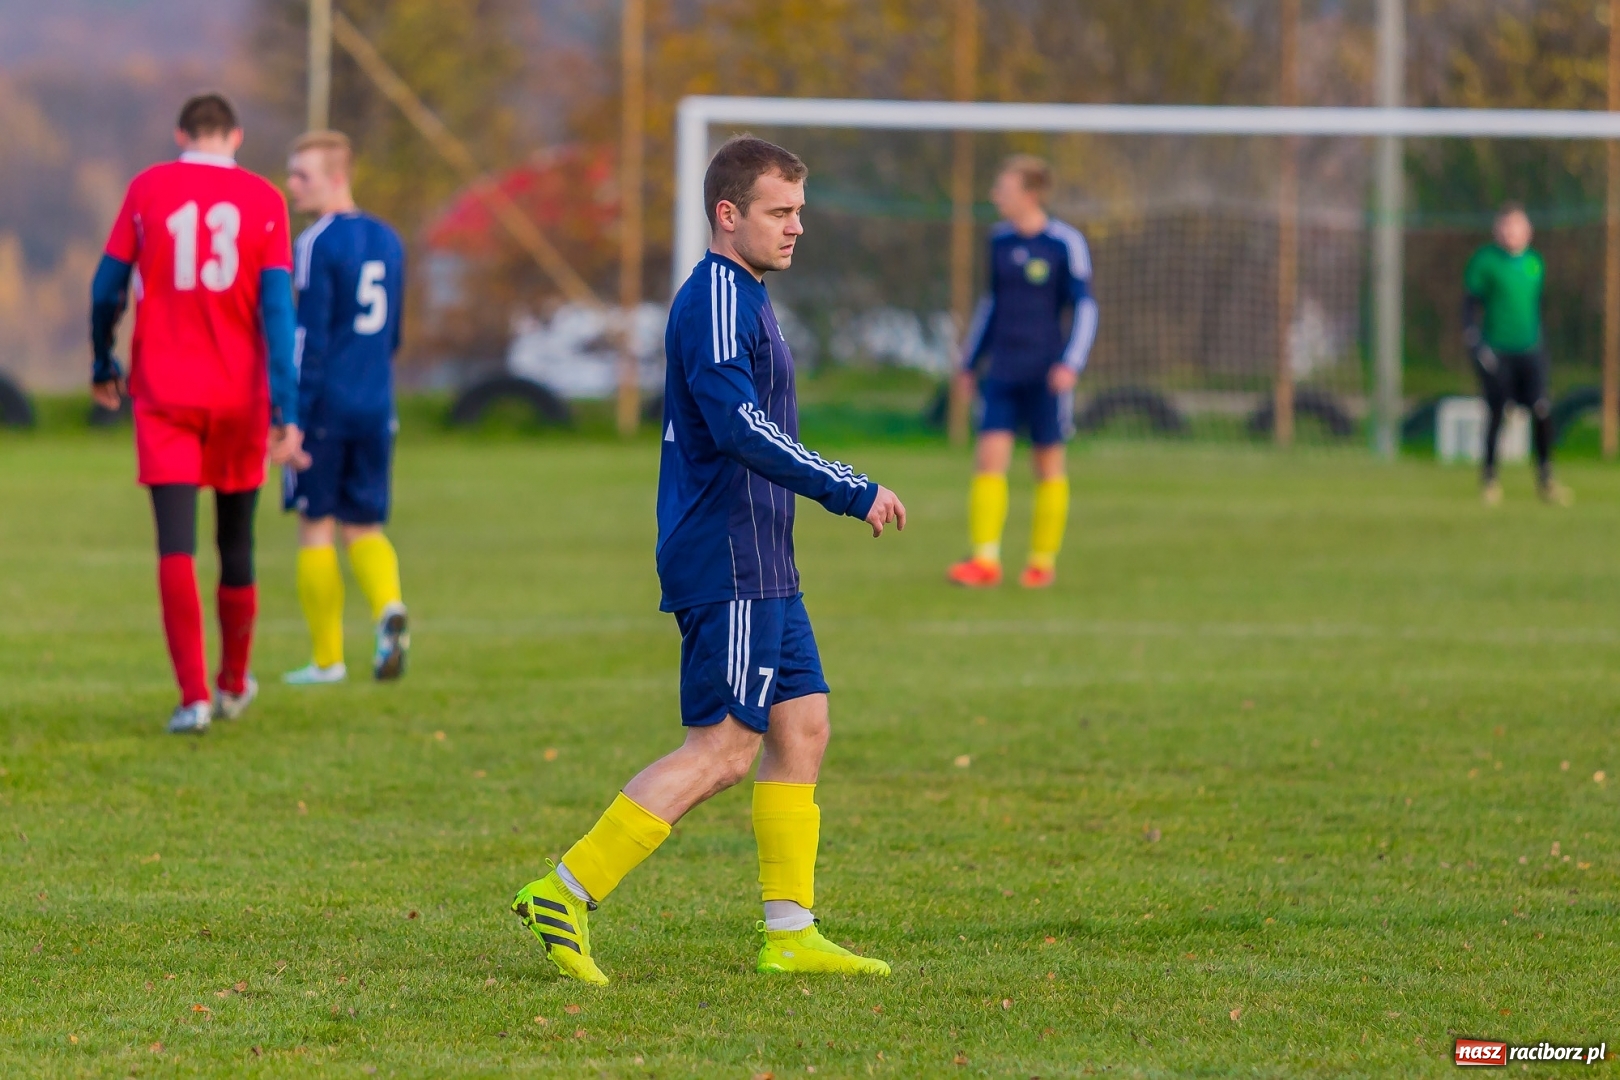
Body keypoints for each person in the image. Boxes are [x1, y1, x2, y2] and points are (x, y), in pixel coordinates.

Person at [509, 135, 907, 985]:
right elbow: (737, 427)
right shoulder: (719, 297)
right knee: (724, 748)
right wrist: (849, 486)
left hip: (762, 557)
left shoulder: (748, 295)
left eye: (800, 211)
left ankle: (791, 931)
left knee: (803, 726)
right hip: (726, 560)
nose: (797, 227)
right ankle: (565, 890)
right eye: (780, 211)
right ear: (729, 215)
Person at [90, 92, 302, 735]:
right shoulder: (265, 200)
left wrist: (103, 361)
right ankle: (234, 682)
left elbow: (106, 288)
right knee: (236, 542)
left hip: (164, 393)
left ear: (181, 132)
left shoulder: (148, 187)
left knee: (174, 546)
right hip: (241, 396)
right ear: (235, 137)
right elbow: (278, 311)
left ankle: (193, 699)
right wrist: (285, 405)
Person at [279, 130, 410, 685]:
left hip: (326, 408)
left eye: (301, 175)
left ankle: (327, 660)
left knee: (315, 527)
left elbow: (308, 341)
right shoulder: (389, 240)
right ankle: (388, 609)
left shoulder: (315, 243)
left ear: (336, 178)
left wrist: (290, 418)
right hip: (377, 403)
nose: (291, 186)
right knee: (364, 524)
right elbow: (395, 333)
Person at [948, 154, 1098, 589]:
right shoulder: (998, 242)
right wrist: (969, 362)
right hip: (1004, 372)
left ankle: (1041, 562)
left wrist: (1071, 363)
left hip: (1047, 373)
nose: (997, 196)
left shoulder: (1064, 243)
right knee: (988, 460)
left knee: (1047, 465)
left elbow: (1085, 307)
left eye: (1005, 190)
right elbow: (990, 306)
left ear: (1030, 194)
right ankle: (985, 560)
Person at [1464, 202, 1570, 506]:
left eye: (1517, 226)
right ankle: (1489, 478)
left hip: (1530, 349)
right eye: (1506, 226)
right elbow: (1469, 304)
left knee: (1541, 409)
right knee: (1497, 412)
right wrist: (1473, 340)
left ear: (1528, 231)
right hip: (1497, 351)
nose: (1511, 232)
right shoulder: (1485, 261)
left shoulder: (1535, 263)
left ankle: (1546, 478)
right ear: (1498, 230)